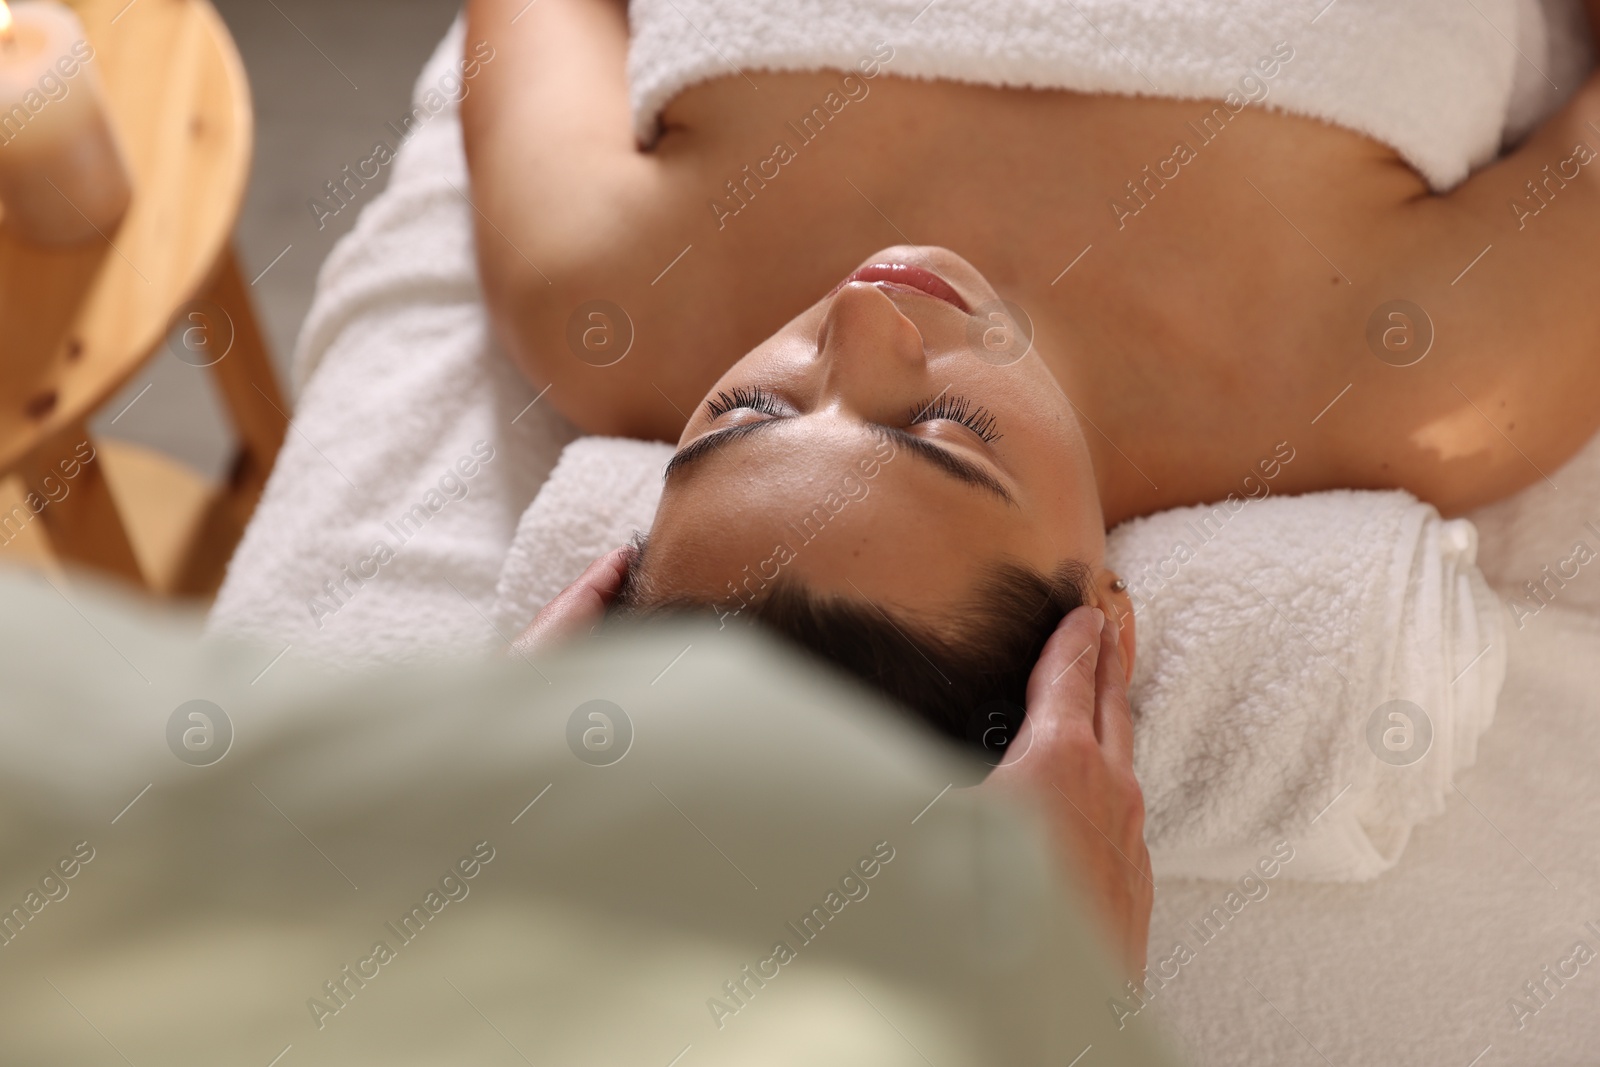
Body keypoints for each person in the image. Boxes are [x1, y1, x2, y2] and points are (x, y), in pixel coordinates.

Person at [466, 0, 1600, 972]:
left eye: (748, 412)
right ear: (1098, 627)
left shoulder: (605, 301)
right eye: (948, 431)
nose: (861, 315)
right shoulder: (1423, 378)